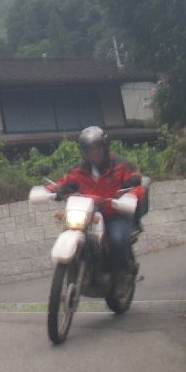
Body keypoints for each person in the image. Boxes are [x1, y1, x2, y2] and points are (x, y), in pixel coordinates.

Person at [46, 126, 144, 297]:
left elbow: (137, 184)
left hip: (115, 214)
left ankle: (120, 277)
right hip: (89, 215)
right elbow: (64, 183)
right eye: (89, 149)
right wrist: (49, 191)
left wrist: (130, 196)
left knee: (116, 239)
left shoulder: (121, 165)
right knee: (77, 233)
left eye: (97, 148)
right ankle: (84, 270)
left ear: (104, 147)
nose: (94, 152)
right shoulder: (79, 170)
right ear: (84, 152)